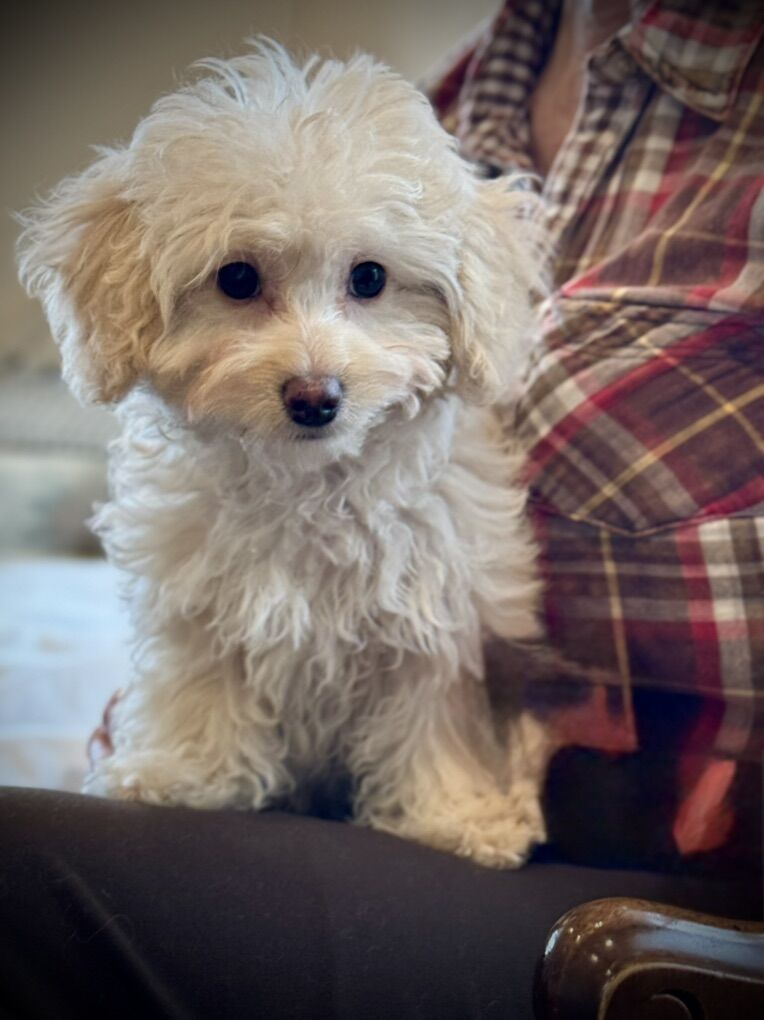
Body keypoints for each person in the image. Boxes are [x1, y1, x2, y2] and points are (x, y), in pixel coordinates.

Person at [2, 3, 762, 1017]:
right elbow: (193, 628)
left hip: (641, 886)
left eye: (366, 280)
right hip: (294, 827)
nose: (314, 365)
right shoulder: (464, 90)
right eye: (240, 281)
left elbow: (446, 652)